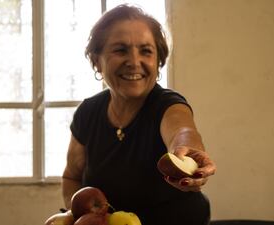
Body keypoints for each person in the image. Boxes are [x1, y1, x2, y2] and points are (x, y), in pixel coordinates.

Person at [61, 4, 216, 225]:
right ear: (97, 61)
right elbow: (71, 177)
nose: (134, 62)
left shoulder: (168, 105)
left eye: (146, 51)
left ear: (158, 61)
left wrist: (189, 153)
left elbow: (182, 130)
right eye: (120, 50)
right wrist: (80, 217)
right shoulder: (88, 112)